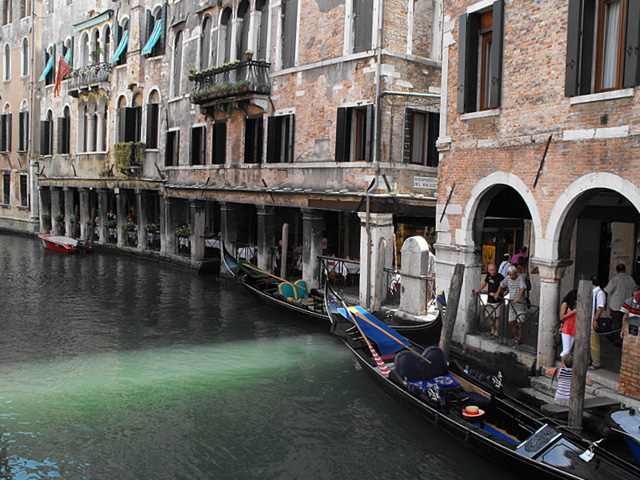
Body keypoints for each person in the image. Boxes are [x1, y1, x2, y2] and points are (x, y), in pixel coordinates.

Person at [604, 263, 636, 345]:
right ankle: (624, 339)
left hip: (616, 305)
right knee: (626, 322)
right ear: (625, 270)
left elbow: (607, 290)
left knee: (617, 323)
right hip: (627, 305)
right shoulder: (630, 279)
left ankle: (618, 339)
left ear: (617, 270)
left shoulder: (614, 280)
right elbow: (635, 290)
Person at [496, 266, 528, 344]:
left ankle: (519, 338)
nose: (511, 276)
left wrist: (518, 298)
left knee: (520, 322)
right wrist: (497, 293)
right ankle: (515, 336)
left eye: (513, 274)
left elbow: (523, 288)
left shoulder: (520, 279)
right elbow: (501, 285)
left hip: (520, 304)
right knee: (510, 322)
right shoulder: (508, 279)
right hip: (512, 304)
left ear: (516, 273)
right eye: (510, 274)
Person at [474, 263, 504, 339]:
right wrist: (479, 289)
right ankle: (492, 329)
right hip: (489, 300)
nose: (493, 272)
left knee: (497, 317)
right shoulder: (489, 276)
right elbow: (485, 282)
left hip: (497, 300)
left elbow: (503, 287)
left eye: (494, 270)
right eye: (491, 270)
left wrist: (497, 294)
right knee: (487, 316)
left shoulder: (500, 277)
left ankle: (497, 332)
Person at [589, 276, 606, 370]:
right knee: (590, 343)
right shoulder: (593, 292)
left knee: (594, 343)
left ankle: (596, 362)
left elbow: (600, 307)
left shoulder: (600, 293)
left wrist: (595, 319)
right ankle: (590, 360)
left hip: (593, 321)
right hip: (589, 321)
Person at [559, 289, 577, 357]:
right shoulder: (565, 304)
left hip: (573, 327)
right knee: (566, 350)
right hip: (566, 327)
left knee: (569, 350)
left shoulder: (574, 306)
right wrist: (573, 312)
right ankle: (563, 365)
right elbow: (562, 317)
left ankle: (565, 365)